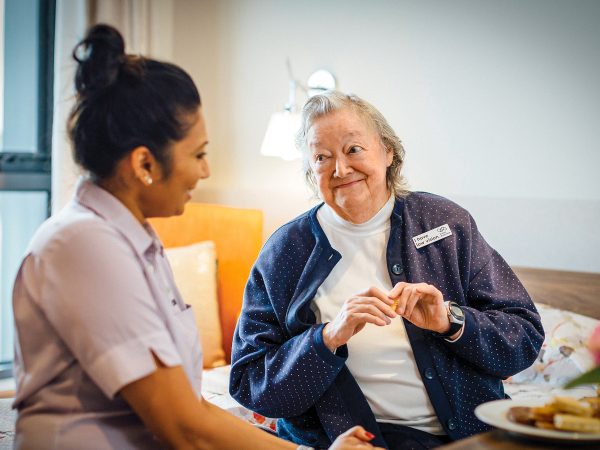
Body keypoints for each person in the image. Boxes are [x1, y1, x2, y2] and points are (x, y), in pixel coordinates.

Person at [11, 25, 382, 450]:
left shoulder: (134, 241)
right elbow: (183, 425)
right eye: (199, 154)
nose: (205, 171)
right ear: (145, 164)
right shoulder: (84, 247)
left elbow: (193, 407)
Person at [229, 91, 545, 449]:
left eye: (353, 149)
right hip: (346, 442)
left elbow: (525, 336)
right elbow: (249, 382)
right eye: (322, 157)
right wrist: (327, 338)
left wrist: (450, 320)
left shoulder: (445, 223)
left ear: (388, 151)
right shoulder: (286, 250)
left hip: (467, 436)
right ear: (309, 171)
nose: (341, 169)